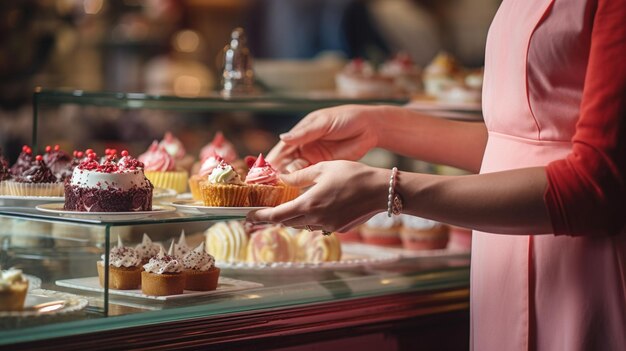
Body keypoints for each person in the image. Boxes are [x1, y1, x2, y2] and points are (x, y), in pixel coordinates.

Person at [248, 0, 626, 350]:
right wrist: (379, 124)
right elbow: (519, 143)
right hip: (501, 263)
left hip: (584, 267)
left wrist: (388, 190)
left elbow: (597, 184)